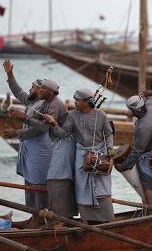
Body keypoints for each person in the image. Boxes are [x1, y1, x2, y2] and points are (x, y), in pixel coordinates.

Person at [45, 88, 114, 223]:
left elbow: (108, 134)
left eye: (77, 100)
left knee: (102, 187)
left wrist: (109, 149)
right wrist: (53, 123)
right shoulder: (72, 115)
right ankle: (86, 219)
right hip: (81, 154)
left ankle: (106, 219)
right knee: (82, 187)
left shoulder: (101, 115)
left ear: (87, 102)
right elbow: (63, 133)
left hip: (99, 154)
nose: (75, 102)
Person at [2, 59, 51, 214]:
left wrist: (17, 133)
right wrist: (10, 75)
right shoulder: (31, 102)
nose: (29, 90)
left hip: (40, 154)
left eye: (32, 87)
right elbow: (18, 92)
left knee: (39, 184)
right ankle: (34, 217)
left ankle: (43, 217)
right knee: (29, 184)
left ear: (41, 90)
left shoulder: (45, 106)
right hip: (30, 153)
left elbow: (40, 130)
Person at [33, 78, 75, 221]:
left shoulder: (55, 105)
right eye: (40, 88)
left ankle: (61, 217)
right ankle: (59, 216)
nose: (40, 90)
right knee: (54, 179)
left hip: (64, 143)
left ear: (51, 92)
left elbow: (44, 128)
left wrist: (23, 118)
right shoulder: (45, 102)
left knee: (55, 179)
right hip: (57, 143)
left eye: (43, 88)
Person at [115, 95, 152, 207]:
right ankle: (150, 208)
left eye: (131, 110)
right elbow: (150, 98)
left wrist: (125, 166)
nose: (129, 112)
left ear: (135, 111)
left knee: (148, 183)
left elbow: (137, 151)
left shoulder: (144, 128)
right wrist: (144, 94)